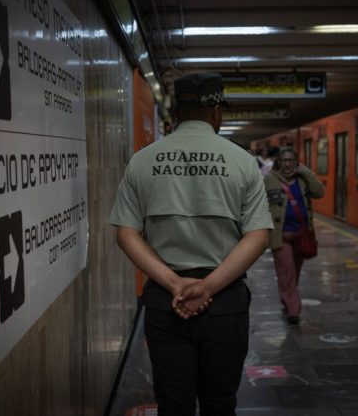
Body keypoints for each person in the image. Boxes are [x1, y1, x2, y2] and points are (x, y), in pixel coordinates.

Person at [109, 72, 273, 416]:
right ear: (217, 113)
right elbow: (258, 235)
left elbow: (126, 232)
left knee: (173, 404)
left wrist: (174, 284)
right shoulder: (242, 161)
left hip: (166, 299)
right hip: (225, 299)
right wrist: (209, 286)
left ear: (177, 111)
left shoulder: (143, 160)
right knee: (219, 402)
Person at [264, 147, 324, 325]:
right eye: (284, 160)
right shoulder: (269, 179)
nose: (287, 164)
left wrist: (305, 171)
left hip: (302, 236)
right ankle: (293, 310)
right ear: (279, 162)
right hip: (281, 236)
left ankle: (288, 298)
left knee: (294, 273)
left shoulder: (302, 180)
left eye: (291, 160)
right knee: (286, 272)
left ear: (296, 163)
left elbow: (319, 192)